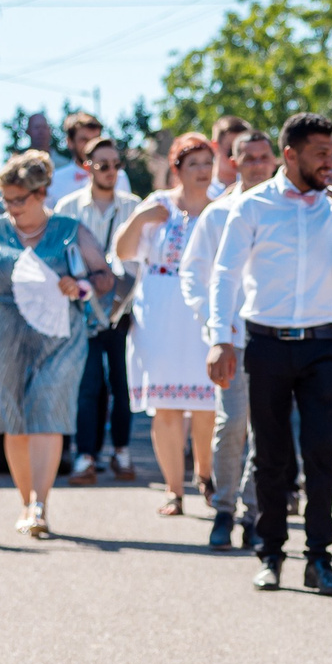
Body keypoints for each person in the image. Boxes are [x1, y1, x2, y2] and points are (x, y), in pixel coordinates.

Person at [205, 112, 332, 595]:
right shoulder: (253, 207)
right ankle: (270, 551)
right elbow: (225, 276)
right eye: (320, 153)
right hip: (266, 342)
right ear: (291, 155)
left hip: (321, 343)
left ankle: (320, 557)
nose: (330, 161)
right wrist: (220, 337)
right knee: (272, 455)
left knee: (321, 453)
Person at [0, 151, 115, 538]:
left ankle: (41, 505)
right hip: (2, 333)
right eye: (5, 200)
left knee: (48, 408)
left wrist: (79, 286)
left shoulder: (68, 229)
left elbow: (104, 277)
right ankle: (26, 501)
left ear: (42, 192)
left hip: (58, 335)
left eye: (19, 200)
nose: (10, 208)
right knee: (13, 420)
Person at [115, 134, 222, 516]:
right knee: (167, 405)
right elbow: (124, 252)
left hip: (204, 311)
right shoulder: (157, 206)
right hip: (159, 310)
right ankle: (173, 490)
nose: (202, 171)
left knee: (207, 400)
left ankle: (206, 476)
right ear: (176, 168)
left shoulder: (222, 206)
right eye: (193, 164)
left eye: (207, 163)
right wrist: (140, 219)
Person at [186, 128, 277, 551]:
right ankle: (223, 507)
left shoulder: (286, 208)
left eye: (264, 157)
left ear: (275, 160)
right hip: (232, 338)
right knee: (233, 422)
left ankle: (253, 512)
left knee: (267, 429)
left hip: (274, 335)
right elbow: (196, 273)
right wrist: (213, 326)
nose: (257, 164)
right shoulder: (218, 214)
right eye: (249, 157)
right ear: (234, 162)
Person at [57, 136, 141, 486]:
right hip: (83, 309)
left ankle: (121, 452)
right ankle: (85, 456)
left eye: (116, 165)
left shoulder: (134, 206)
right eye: (103, 164)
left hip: (124, 307)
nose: (110, 171)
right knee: (88, 384)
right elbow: (59, 255)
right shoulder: (69, 207)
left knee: (122, 384)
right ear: (87, 167)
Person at [47, 107, 104, 205]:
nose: (91, 146)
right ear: (70, 142)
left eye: (95, 140)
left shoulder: (118, 177)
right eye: (84, 140)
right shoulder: (54, 180)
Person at [209, 114, 253, 195]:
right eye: (231, 150)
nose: (236, 158)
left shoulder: (256, 185)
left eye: (241, 151)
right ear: (214, 146)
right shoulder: (201, 186)